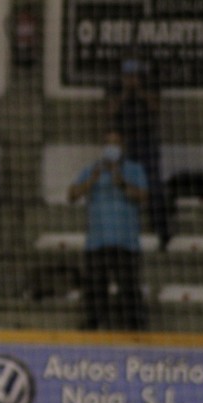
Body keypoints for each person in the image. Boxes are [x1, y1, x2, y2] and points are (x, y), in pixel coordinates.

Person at [68, 130, 148, 331]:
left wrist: (121, 183)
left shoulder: (134, 170)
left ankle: (134, 329)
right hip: (97, 241)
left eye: (116, 143)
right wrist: (92, 180)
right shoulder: (92, 170)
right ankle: (93, 327)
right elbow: (72, 195)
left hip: (126, 242)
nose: (112, 148)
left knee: (129, 288)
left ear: (123, 148)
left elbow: (144, 196)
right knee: (95, 289)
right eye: (108, 143)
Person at [107, 58, 170, 250]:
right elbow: (110, 110)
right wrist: (126, 92)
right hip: (125, 144)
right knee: (122, 186)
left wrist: (140, 90)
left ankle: (162, 233)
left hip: (147, 142)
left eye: (135, 75)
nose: (131, 78)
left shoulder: (150, 86)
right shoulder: (115, 88)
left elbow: (155, 107)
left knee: (154, 186)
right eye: (128, 75)